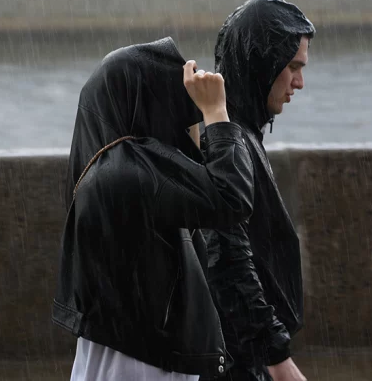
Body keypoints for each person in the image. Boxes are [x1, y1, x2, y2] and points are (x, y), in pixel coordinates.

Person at [52, 37, 255, 380]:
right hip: (144, 365)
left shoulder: (105, 169)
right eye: (185, 120)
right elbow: (233, 197)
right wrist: (216, 113)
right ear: (151, 110)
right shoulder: (127, 170)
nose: (192, 135)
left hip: (125, 357)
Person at [201, 0, 315, 381]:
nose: (299, 82)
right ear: (263, 64)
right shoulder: (227, 140)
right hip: (235, 360)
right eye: (293, 67)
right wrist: (277, 357)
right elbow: (227, 256)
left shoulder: (233, 131)